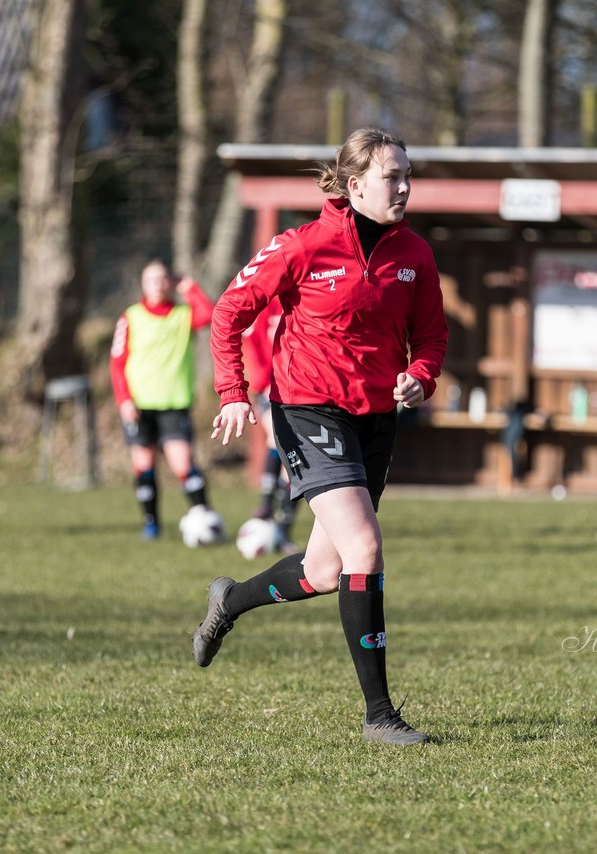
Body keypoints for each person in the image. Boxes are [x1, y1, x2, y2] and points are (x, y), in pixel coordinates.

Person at [194, 128, 448, 746]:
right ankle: (380, 716)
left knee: (325, 569)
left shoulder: (415, 253)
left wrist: (420, 376)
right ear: (355, 185)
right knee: (365, 550)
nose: (405, 187)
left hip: (374, 418)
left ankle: (229, 601)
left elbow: (432, 339)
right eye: (393, 177)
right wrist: (233, 392)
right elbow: (229, 311)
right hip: (309, 410)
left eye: (408, 174)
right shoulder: (302, 245)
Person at [109, 260, 216, 540]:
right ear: (143, 285)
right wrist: (124, 401)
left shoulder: (183, 315)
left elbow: (209, 316)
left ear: (171, 282)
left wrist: (189, 287)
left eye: (163, 279)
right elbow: (117, 363)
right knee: (143, 466)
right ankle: (151, 524)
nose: (158, 284)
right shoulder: (130, 317)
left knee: (183, 465)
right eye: (151, 279)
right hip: (140, 405)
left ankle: (205, 519)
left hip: (173, 403)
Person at [242, 301, 298, 549]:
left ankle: (283, 528)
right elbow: (251, 349)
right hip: (270, 388)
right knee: (277, 438)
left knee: (297, 458)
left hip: (305, 391)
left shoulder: (306, 295)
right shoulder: (264, 305)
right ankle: (266, 505)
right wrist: (262, 383)